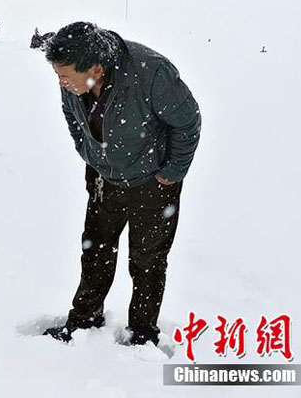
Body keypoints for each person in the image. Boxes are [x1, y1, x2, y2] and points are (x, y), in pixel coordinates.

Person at [43, 22, 201, 346]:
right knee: (95, 251)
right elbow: (72, 117)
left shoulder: (151, 73)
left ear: (96, 69)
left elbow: (188, 121)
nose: (61, 82)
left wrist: (171, 172)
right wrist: (88, 152)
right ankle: (85, 319)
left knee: (147, 261)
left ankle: (142, 334)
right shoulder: (73, 81)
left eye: (66, 76)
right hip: (104, 180)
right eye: (58, 75)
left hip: (152, 183)